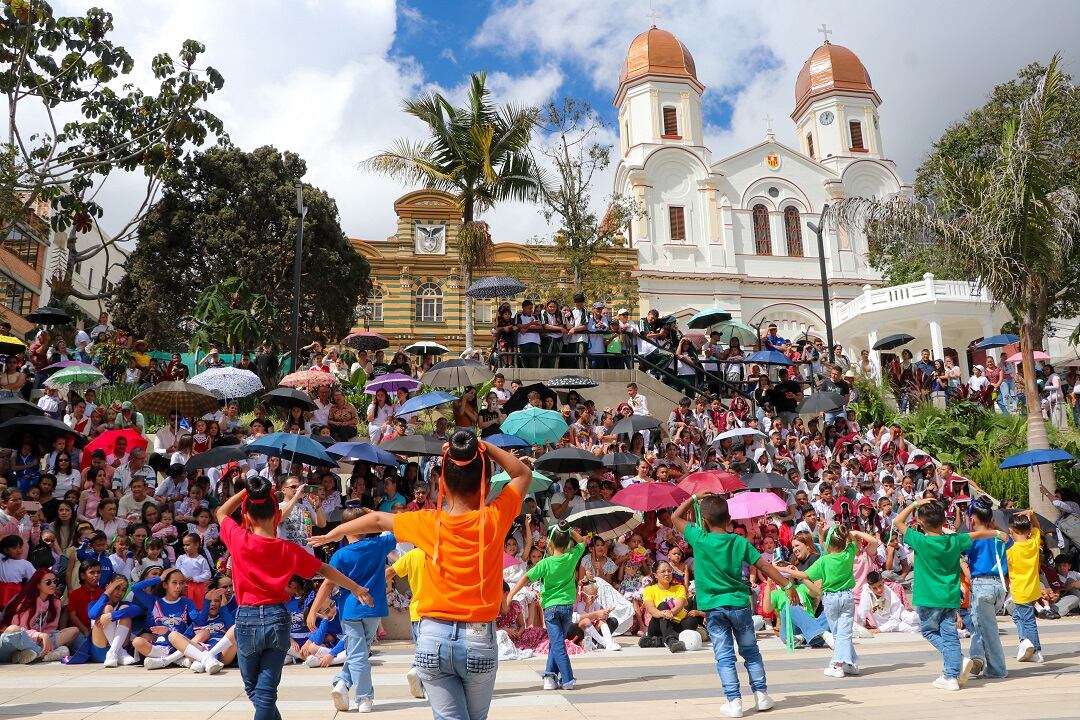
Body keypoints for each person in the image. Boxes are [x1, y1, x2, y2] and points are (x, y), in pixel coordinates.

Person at [310, 432, 532, 720]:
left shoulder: (427, 522)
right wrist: (481, 446)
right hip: (478, 637)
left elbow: (377, 519)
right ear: (485, 486)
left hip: (433, 637)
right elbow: (522, 472)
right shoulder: (495, 516)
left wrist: (334, 531)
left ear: (441, 484)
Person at [215, 478, 371, 720]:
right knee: (263, 691)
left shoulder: (238, 538)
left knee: (256, 690)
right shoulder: (287, 549)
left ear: (246, 516)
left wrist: (247, 491)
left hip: (246, 619)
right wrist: (356, 587)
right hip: (277, 619)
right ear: (277, 515)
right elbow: (325, 570)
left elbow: (221, 511)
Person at [671, 494, 799, 718]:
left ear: (704, 521)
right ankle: (761, 696)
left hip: (714, 608)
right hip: (739, 605)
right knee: (750, 652)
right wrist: (787, 584)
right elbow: (765, 566)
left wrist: (694, 498)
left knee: (725, 656)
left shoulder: (699, 537)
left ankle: (734, 701)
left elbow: (675, 517)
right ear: (729, 519)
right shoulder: (739, 542)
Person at [893, 498, 1003, 691]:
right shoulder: (954, 540)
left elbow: (898, 522)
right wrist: (996, 532)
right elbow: (976, 535)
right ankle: (951, 675)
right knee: (949, 634)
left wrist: (917, 504)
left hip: (927, 597)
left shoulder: (919, 540)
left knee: (929, 631)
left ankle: (957, 662)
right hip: (950, 597)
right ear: (944, 522)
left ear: (920, 523)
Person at [307, 508, 396, 713]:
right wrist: (375, 514)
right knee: (359, 653)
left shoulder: (340, 555)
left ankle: (343, 683)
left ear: (344, 528)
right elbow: (401, 525)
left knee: (357, 653)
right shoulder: (379, 545)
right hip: (373, 610)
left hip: (350, 610)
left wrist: (313, 610)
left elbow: (327, 585)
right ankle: (363, 695)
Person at [785, 523, 879, 677]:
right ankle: (850, 663)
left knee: (839, 634)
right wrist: (851, 531)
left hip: (831, 598)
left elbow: (804, 575)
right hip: (847, 597)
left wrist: (784, 570)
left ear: (828, 543)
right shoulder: (849, 553)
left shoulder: (824, 560)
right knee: (843, 633)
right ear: (844, 541)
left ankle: (837, 665)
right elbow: (871, 540)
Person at [507, 521, 586, 690]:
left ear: (550, 542)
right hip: (566, 608)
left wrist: (511, 594)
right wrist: (569, 530)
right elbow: (582, 541)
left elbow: (526, 578)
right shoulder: (572, 556)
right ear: (567, 542)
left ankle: (567, 679)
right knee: (556, 643)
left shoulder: (545, 563)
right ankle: (550, 678)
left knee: (557, 643)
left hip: (550, 607)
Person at [965, 499, 1010, 679]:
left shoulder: (973, 540)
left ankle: (997, 668)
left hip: (981, 585)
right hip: (999, 586)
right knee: (979, 624)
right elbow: (1008, 541)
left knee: (988, 628)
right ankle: (976, 656)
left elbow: (958, 543)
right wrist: (995, 527)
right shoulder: (1001, 537)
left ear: (972, 519)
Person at [1005, 509, 1045, 664]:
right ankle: (1025, 643)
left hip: (1020, 590)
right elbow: (1037, 527)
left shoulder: (1010, 550)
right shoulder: (1034, 543)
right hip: (1033, 588)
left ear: (1010, 531)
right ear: (1029, 531)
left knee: (1028, 620)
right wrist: (1032, 513)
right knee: (1017, 616)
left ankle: (1036, 650)